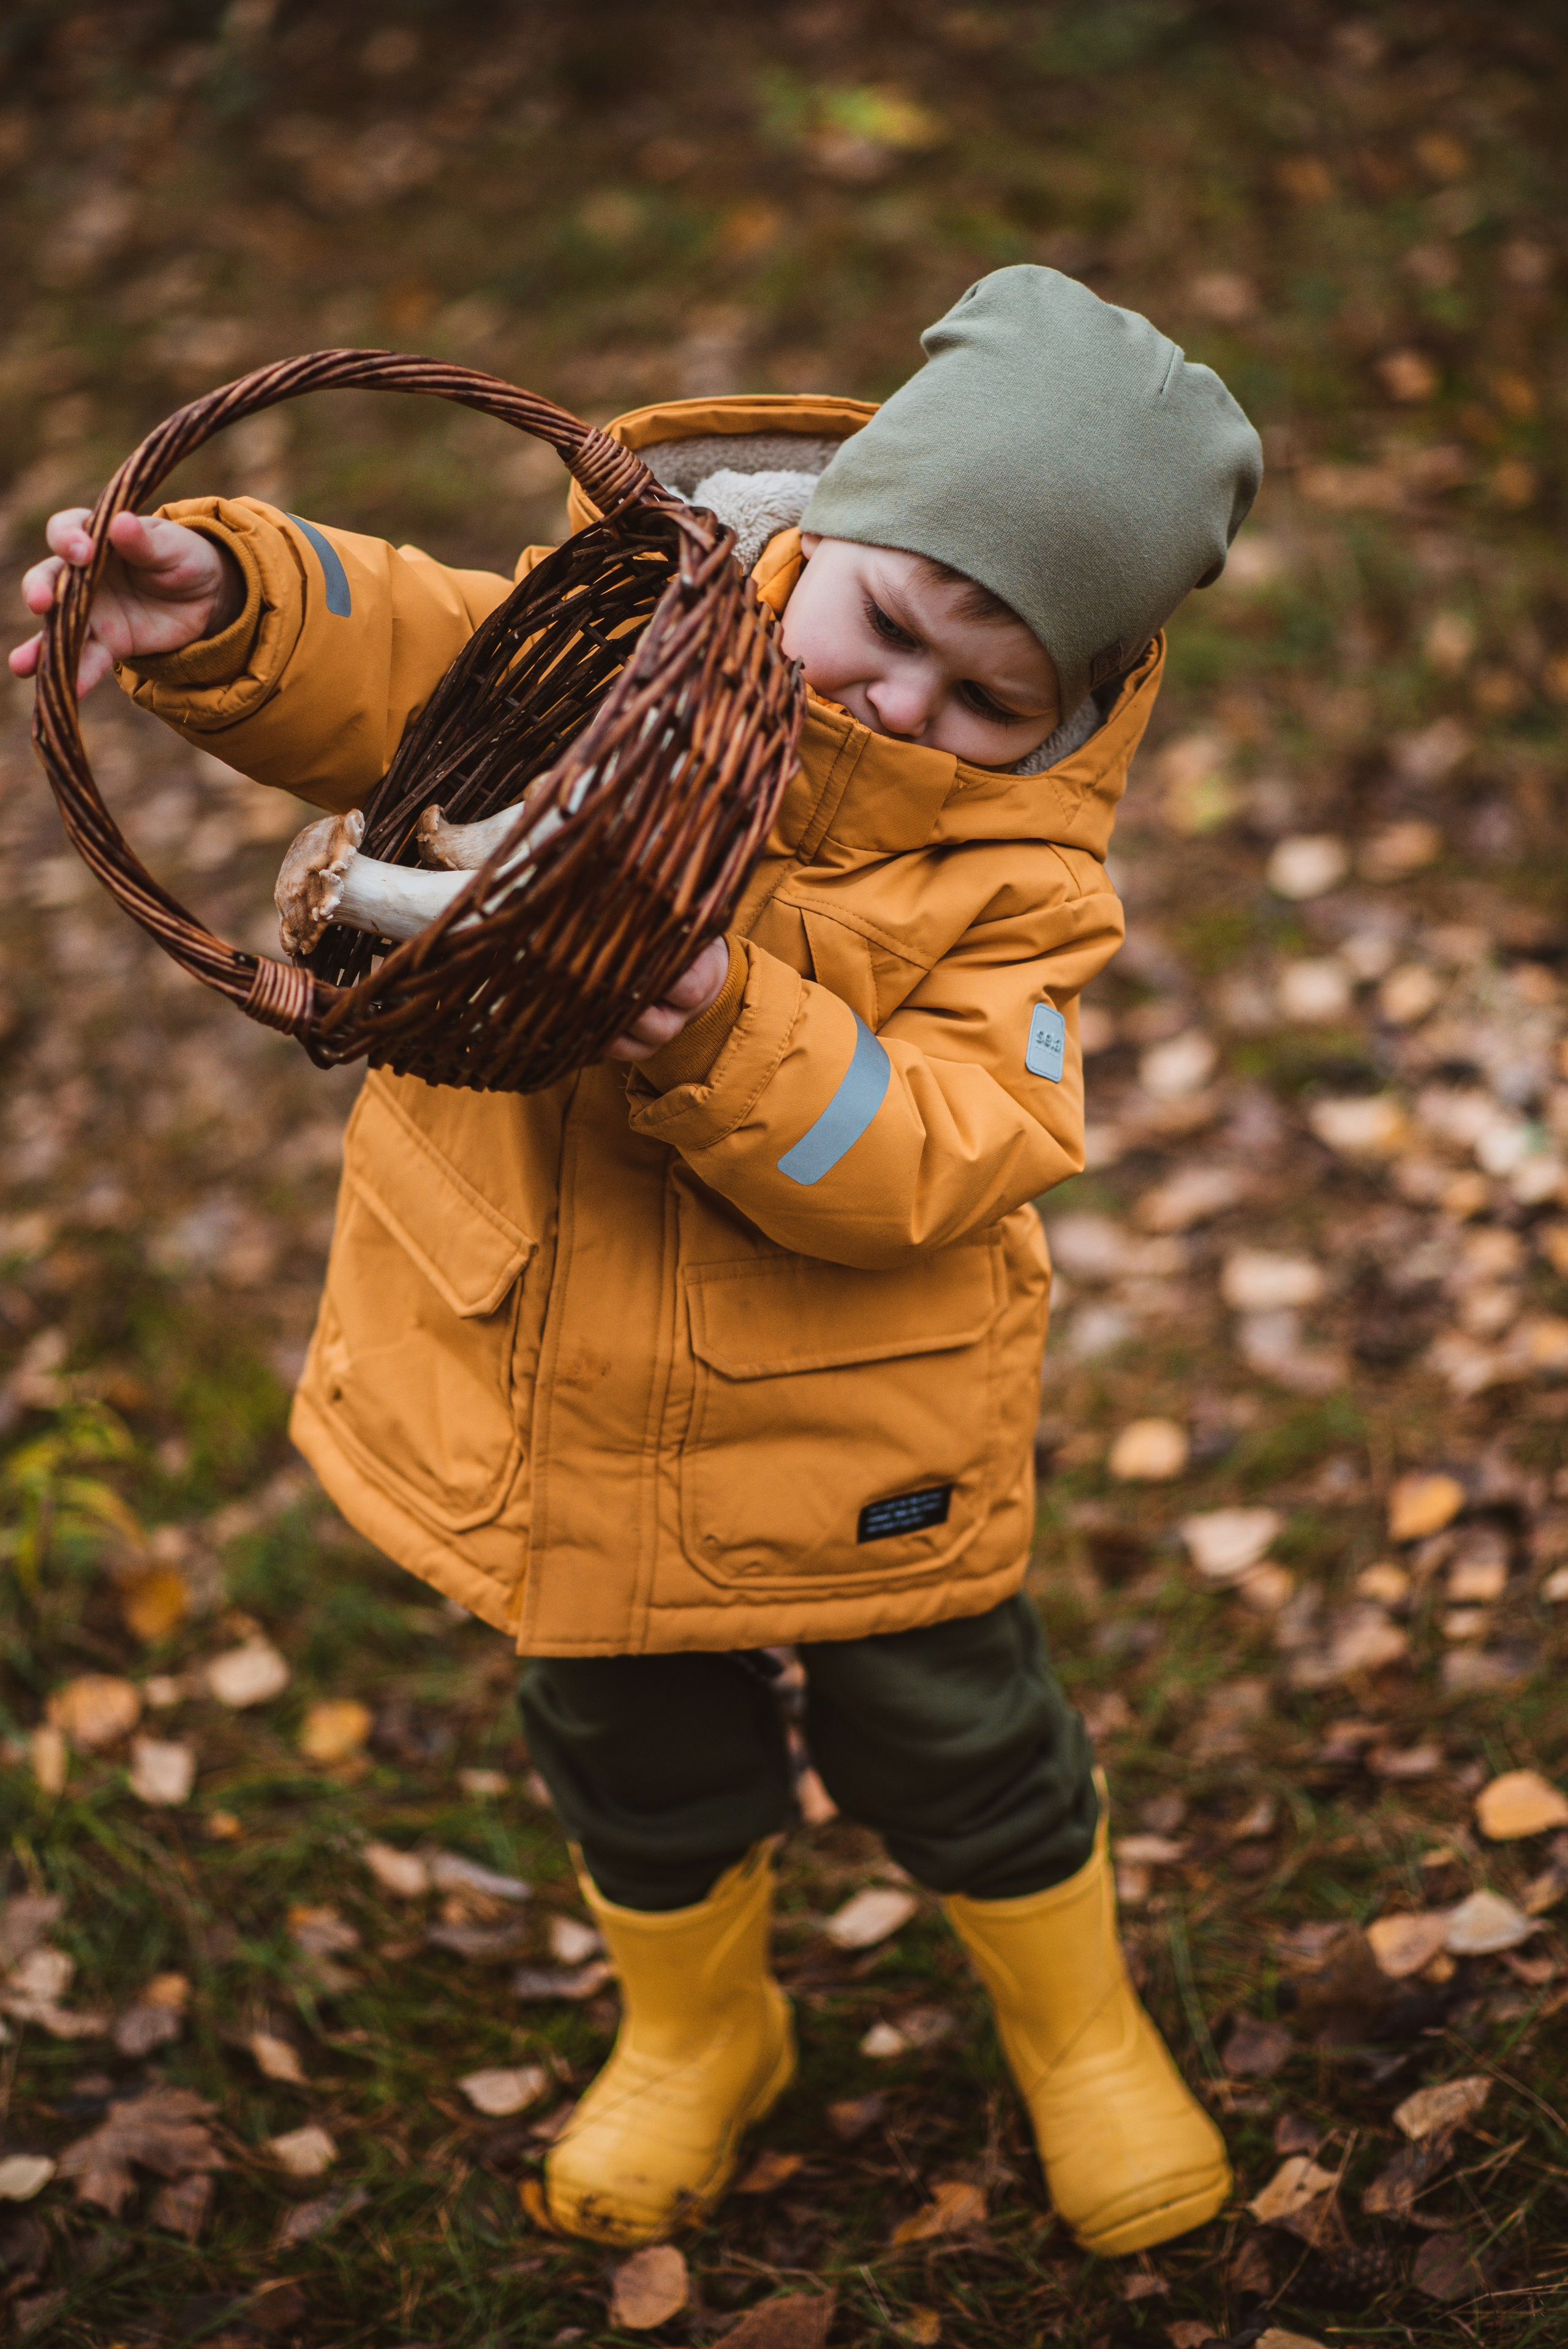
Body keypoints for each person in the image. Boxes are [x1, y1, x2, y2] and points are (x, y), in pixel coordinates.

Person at [11, 267, 1261, 2257]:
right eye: (897, 625)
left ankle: (1080, 2020)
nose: (909, 701)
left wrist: (724, 1034)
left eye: (993, 694)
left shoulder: (1017, 886)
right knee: (630, 1739)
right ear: (829, 535)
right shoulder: (631, 635)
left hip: (850, 1416)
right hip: (555, 1373)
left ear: (1074, 713)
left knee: (958, 1732)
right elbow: (413, 655)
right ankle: (703, 2029)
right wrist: (234, 611)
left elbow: (952, 1148)